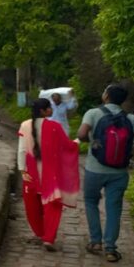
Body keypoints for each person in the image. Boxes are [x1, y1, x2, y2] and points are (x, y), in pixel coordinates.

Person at [77, 84, 134, 262]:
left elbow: (82, 133)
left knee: (91, 201)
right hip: (119, 172)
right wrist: (130, 151)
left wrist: (92, 142)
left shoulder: (92, 113)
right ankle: (110, 248)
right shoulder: (130, 118)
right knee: (114, 208)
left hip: (94, 169)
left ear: (106, 96)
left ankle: (95, 242)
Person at [18, 98, 80, 251]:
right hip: (50, 174)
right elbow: (67, 146)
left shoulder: (25, 125)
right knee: (52, 206)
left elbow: (21, 150)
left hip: (30, 172)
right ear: (43, 111)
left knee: (32, 205)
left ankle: (39, 232)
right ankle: (49, 238)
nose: (51, 110)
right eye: (49, 108)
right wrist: (78, 142)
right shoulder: (54, 126)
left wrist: (22, 169)